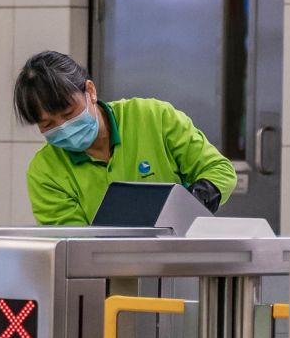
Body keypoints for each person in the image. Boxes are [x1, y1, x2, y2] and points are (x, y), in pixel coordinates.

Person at [14, 51, 237, 225]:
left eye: (68, 113)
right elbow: (74, 246)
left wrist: (192, 203)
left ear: (90, 91)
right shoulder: (45, 172)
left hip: (177, 269)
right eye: (48, 124)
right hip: (105, 277)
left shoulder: (153, 117)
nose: (64, 127)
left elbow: (220, 170)